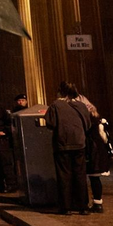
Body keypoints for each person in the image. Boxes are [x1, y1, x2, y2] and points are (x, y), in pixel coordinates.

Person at [45, 81, 91, 215]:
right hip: (79, 143)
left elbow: (50, 123)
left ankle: (66, 206)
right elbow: (87, 124)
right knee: (80, 174)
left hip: (63, 143)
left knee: (64, 174)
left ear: (60, 91)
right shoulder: (81, 105)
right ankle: (82, 206)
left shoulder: (56, 105)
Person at [84, 102, 113, 214]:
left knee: (92, 178)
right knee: (95, 179)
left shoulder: (88, 123)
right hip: (98, 152)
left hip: (92, 152)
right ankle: (98, 202)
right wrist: (110, 151)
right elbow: (105, 138)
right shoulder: (100, 122)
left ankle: (94, 203)